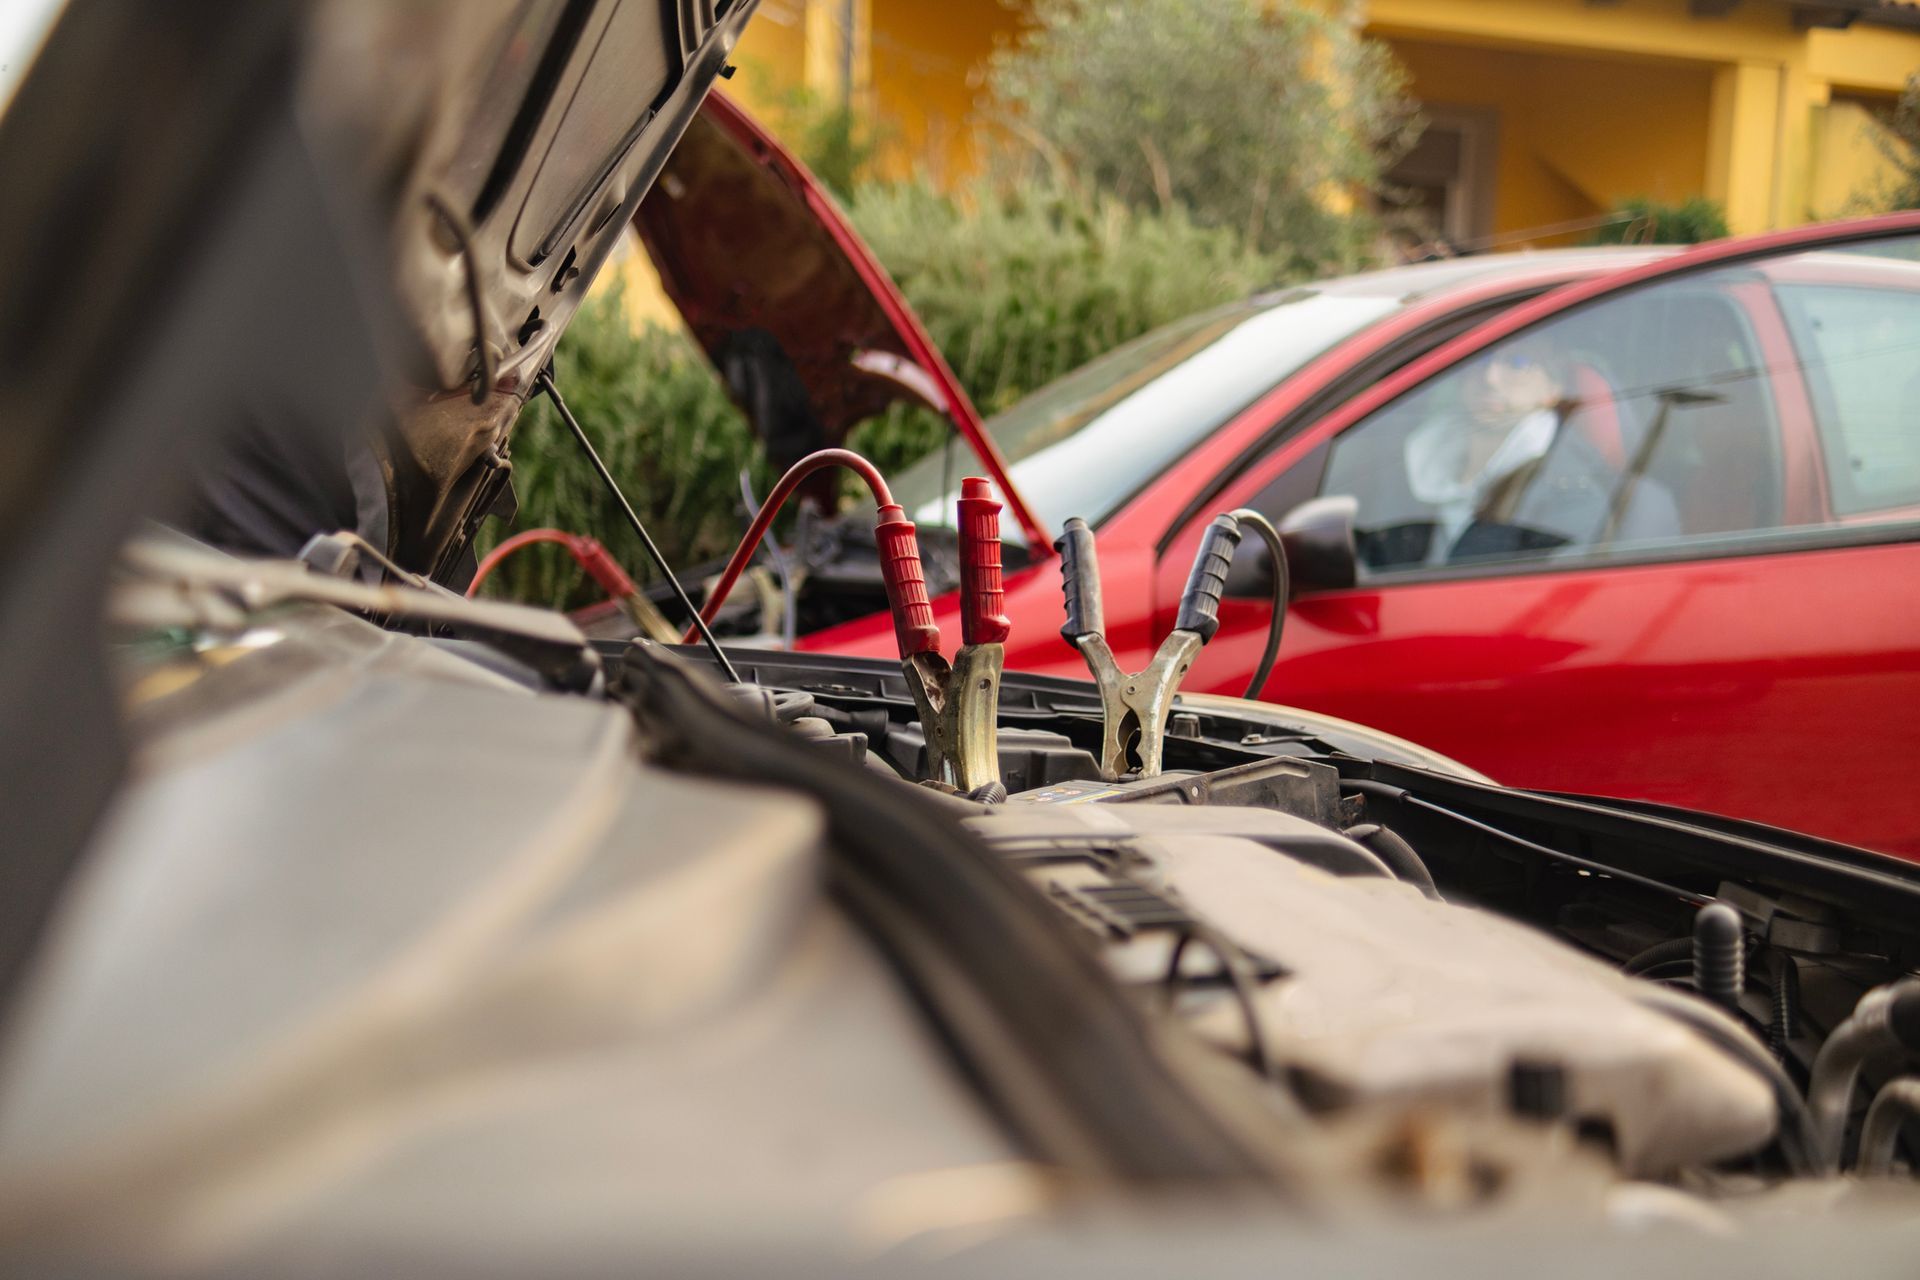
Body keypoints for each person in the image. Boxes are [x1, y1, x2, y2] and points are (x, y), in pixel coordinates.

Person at [1395, 335, 1680, 566]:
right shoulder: (1408, 457)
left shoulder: (1574, 492)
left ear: (1553, 390)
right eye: (1479, 360)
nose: (1491, 378)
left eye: (1518, 362)